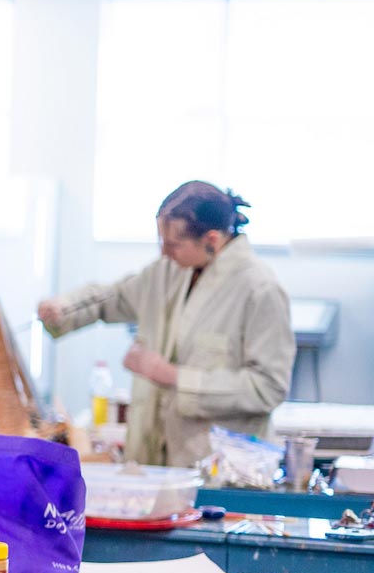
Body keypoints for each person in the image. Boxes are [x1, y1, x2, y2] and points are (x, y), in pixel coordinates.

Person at [37, 182, 292, 467]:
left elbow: (268, 388)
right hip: (156, 457)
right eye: (161, 241)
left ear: (212, 239)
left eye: (173, 244)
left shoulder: (259, 290)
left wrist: (173, 376)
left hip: (222, 465)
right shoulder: (169, 271)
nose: (163, 253)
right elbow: (112, 298)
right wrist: (64, 307)